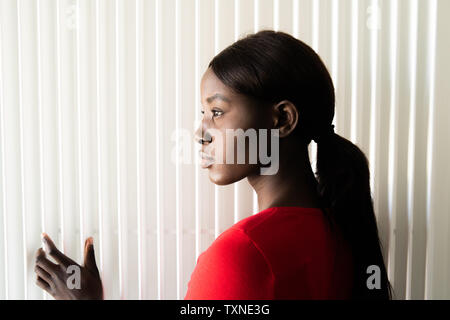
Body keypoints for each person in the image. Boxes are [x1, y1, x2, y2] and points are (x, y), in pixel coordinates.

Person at [34, 30, 392, 300]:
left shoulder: (243, 254)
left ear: (281, 119)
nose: (200, 133)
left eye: (217, 112)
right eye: (203, 114)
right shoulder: (346, 232)